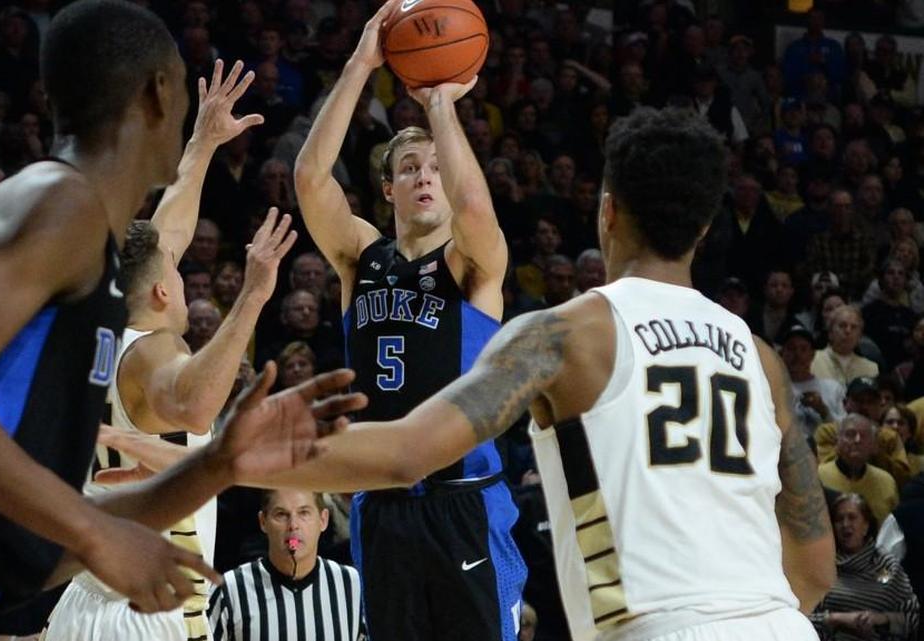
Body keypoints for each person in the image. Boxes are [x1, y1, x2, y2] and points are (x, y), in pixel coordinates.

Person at [0, 4, 364, 639]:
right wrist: (95, 531)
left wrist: (216, 466)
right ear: (156, 91)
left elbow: (159, 243)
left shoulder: (93, 253)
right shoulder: (60, 203)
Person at [247, 107, 837, 640]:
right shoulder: (760, 355)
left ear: (606, 211)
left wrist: (221, 460)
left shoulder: (563, 335)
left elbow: (406, 455)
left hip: (646, 622)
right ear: (708, 225)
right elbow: (815, 571)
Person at [292, 3, 523, 639]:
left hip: (464, 499)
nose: (425, 177)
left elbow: (476, 204)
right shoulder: (359, 259)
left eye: (435, 169)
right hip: (381, 504)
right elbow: (310, 178)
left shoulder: (475, 264)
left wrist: (441, 106)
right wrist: (361, 64)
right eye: (409, 169)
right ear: (388, 189)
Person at [45, 60, 291, 641]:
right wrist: (252, 297)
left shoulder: (96, 330)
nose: (182, 277)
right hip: (142, 614)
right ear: (160, 291)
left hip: (86, 601)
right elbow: (196, 408)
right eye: (176, 276)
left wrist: (203, 144)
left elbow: (166, 236)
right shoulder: (152, 352)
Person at [208, 489, 363, 641]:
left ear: (323, 520)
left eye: (304, 513)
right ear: (263, 522)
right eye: (281, 514)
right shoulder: (229, 590)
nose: (293, 525)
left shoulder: (352, 585)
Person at [810, 494, 919, 639]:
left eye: (852, 517)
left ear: (866, 526)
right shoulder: (822, 567)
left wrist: (883, 619)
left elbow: (914, 619)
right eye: (839, 519)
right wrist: (834, 618)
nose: (845, 525)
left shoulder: (887, 566)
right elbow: (801, 618)